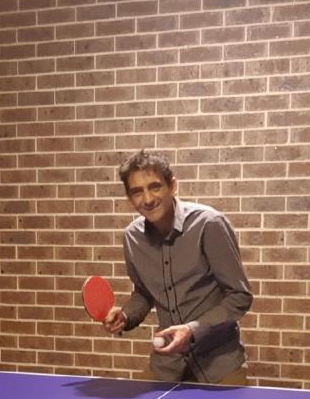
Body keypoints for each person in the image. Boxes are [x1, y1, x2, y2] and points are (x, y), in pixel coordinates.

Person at [103, 150, 253, 385]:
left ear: (172, 186)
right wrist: (125, 316)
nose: (148, 199)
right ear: (129, 198)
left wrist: (192, 330)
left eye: (154, 187)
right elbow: (143, 294)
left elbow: (239, 297)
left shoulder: (209, 224)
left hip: (220, 366)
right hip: (166, 365)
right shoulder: (132, 238)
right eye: (136, 192)